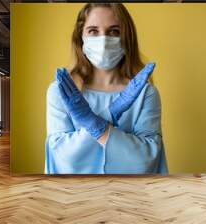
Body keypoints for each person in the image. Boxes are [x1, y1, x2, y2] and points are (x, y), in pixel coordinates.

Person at [45, 3, 168, 174]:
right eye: (93, 31)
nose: (103, 41)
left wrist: (96, 125)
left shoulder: (144, 93)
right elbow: (61, 157)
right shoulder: (62, 91)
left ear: (127, 38)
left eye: (114, 31)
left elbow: (146, 160)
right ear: (80, 37)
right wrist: (103, 118)